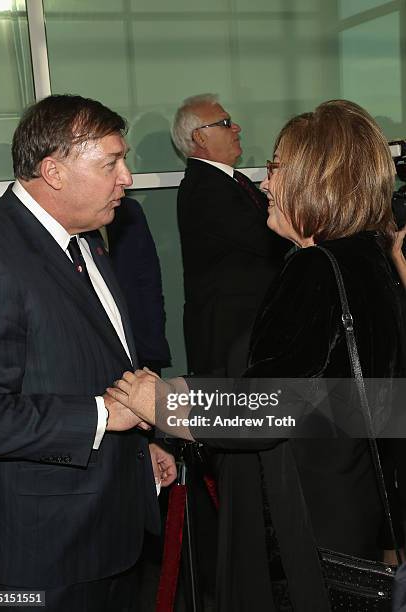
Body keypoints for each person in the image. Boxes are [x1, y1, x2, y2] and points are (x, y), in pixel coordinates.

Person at [109, 99, 406, 611]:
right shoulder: (369, 257)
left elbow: (271, 406)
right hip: (348, 503)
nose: (266, 183)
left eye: (276, 168)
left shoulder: (314, 269)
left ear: (316, 179)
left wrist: (161, 403)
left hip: (301, 522)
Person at [0, 94, 176, 612]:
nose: (127, 177)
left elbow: (102, 365)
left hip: (108, 532)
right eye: (110, 163)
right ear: (54, 172)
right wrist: (103, 416)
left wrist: (139, 444)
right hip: (38, 554)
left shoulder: (86, 242)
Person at [172, 93, 288, 377]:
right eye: (225, 123)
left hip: (243, 329)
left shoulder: (232, 181)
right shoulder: (206, 189)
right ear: (200, 137)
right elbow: (269, 240)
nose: (236, 128)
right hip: (229, 336)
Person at [107, 196, 171, 375]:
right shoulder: (60, 217)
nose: (126, 178)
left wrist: (154, 344)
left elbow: (149, 282)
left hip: (140, 347)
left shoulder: (128, 211)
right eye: (110, 166)